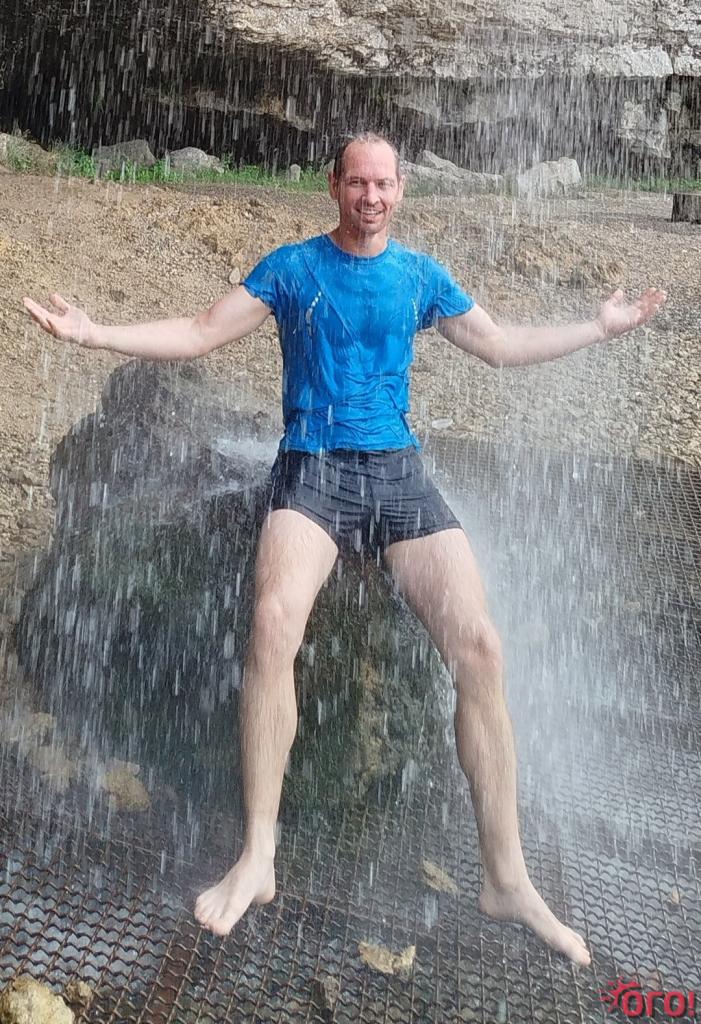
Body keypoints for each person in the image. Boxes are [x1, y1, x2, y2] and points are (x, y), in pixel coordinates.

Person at [24, 132, 666, 966]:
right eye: (357, 182)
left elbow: (500, 345)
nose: (370, 197)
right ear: (333, 186)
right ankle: (258, 856)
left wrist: (598, 328)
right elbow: (199, 331)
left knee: (480, 646)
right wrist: (93, 334)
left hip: (398, 473)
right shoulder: (293, 268)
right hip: (313, 470)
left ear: (400, 191)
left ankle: (505, 878)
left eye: (383, 184)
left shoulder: (420, 276)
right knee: (272, 622)